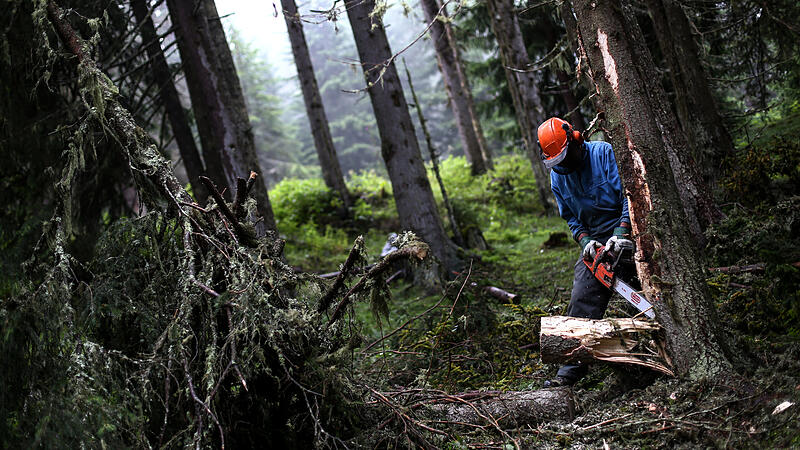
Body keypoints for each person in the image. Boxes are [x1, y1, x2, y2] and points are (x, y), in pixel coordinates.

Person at [537, 117, 635, 388]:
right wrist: (586, 243)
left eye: (566, 158)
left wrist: (623, 231)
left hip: (628, 226)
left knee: (642, 279)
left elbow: (631, 194)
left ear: (576, 140)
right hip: (596, 238)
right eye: (558, 162)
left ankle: (655, 335)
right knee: (582, 295)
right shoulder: (558, 178)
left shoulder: (603, 153)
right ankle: (568, 373)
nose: (564, 166)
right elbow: (571, 219)